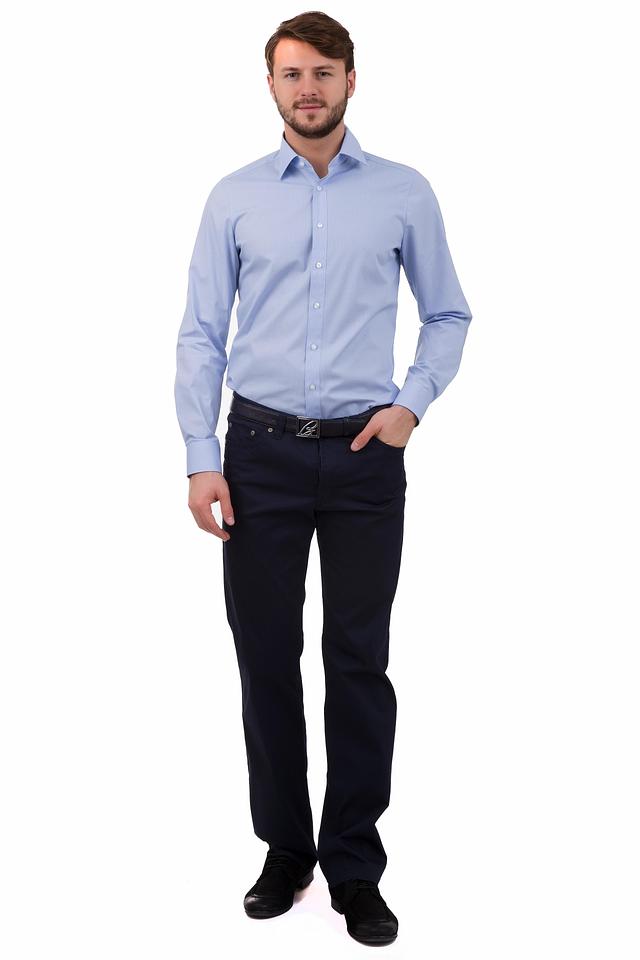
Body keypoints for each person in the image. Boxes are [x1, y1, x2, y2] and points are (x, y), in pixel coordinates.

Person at [174, 11, 472, 947]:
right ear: (270, 85)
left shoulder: (403, 192)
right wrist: (202, 455)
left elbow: (449, 314)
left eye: (324, 72)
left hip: (363, 458)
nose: (308, 88)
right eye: (292, 73)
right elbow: (201, 335)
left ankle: (353, 862)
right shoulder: (232, 197)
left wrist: (410, 406)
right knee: (265, 656)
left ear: (351, 79)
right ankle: (285, 850)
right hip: (256, 454)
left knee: (357, 659)